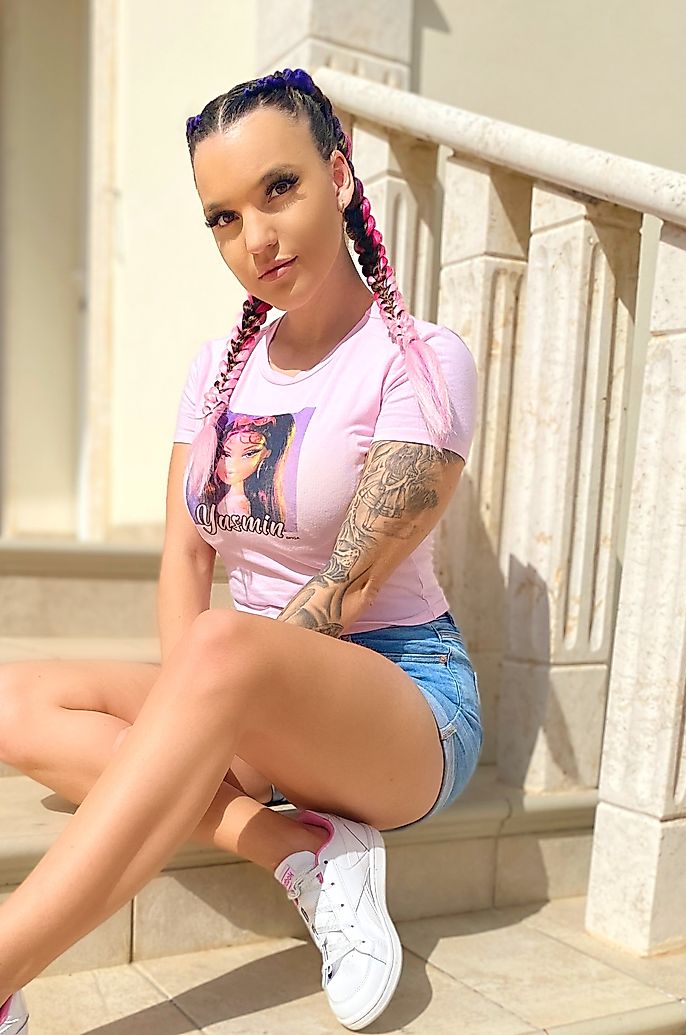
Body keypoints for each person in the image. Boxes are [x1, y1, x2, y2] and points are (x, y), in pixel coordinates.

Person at [0, 66, 483, 1033]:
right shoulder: (218, 371)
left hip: (399, 702)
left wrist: (206, 726)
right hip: (240, 683)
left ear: (339, 175)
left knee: (221, 646)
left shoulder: (420, 360)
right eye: (224, 217)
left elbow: (343, 590)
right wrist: (202, 724)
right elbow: (183, 560)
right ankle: (297, 847)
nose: (255, 238)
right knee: (13, 698)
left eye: (279, 188)